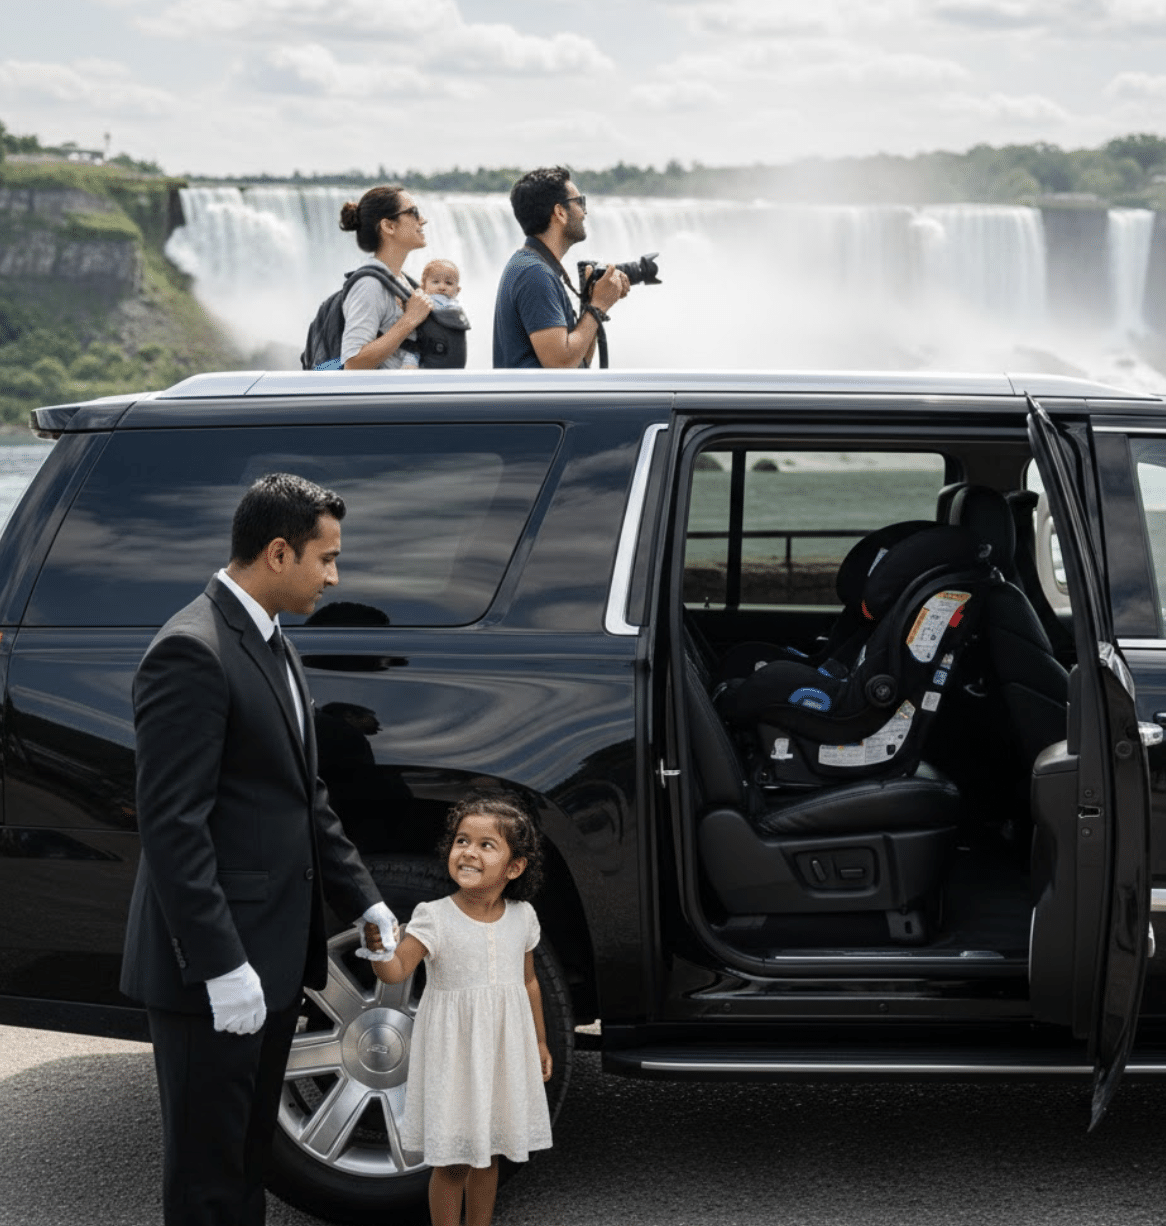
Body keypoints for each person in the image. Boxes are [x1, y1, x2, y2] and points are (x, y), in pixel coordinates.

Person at [121, 472, 399, 1226]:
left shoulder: (271, 640)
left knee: (246, 1165)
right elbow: (172, 826)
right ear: (279, 552)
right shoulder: (191, 650)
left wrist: (365, 900)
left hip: (269, 964)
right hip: (213, 974)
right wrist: (220, 965)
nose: (334, 577)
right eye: (326, 558)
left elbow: (303, 797)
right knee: (207, 1182)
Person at [364, 791, 552, 1226]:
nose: (468, 851)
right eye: (462, 840)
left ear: (514, 867)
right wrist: (379, 951)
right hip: (454, 1057)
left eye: (486, 845)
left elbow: (528, 982)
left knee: (489, 1154)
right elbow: (396, 971)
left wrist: (540, 1042)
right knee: (452, 1162)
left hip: (501, 1054)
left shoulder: (523, 916)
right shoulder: (434, 916)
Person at [492, 165, 629, 369]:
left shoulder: (534, 266)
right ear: (560, 212)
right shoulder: (535, 274)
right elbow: (560, 364)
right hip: (538, 392)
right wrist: (598, 305)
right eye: (579, 202)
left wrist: (591, 303)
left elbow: (579, 361)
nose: (584, 212)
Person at [338, 185, 433, 370]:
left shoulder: (402, 280)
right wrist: (409, 320)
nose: (423, 220)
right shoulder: (369, 285)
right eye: (414, 212)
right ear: (389, 226)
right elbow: (353, 363)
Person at [399, 258, 466, 371]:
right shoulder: (428, 301)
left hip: (440, 351)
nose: (442, 287)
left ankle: (410, 363)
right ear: (423, 287)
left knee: (415, 339)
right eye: (435, 282)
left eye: (448, 283)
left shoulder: (453, 305)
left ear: (457, 290)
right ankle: (410, 362)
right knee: (416, 338)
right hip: (435, 353)